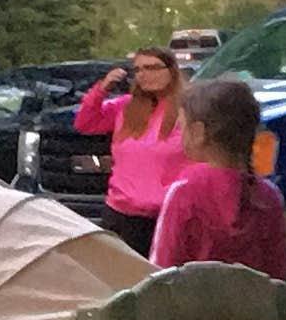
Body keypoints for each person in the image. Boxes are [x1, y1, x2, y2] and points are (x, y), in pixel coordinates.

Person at [144, 72, 286, 281]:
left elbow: (161, 272)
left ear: (198, 132)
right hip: (252, 311)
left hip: (195, 311)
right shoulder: (269, 196)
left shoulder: (184, 192)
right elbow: (278, 276)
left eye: (182, 127)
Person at [74, 40, 198, 227]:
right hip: (121, 212)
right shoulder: (125, 106)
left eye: (152, 68)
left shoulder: (190, 109)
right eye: (138, 70)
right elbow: (85, 123)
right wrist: (101, 89)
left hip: (170, 214)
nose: (144, 75)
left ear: (171, 71)